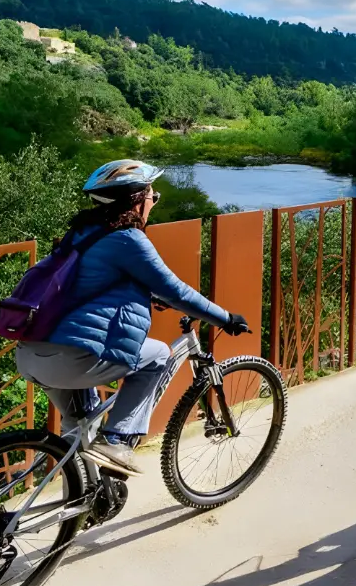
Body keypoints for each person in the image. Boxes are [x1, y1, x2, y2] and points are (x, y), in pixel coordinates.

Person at [14, 160, 248, 475]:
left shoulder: (81, 233)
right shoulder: (128, 239)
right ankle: (117, 439)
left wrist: (147, 295)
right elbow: (176, 291)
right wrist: (225, 318)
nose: (154, 201)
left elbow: (90, 284)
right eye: (153, 195)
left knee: (80, 423)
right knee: (159, 356)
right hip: (73, 358)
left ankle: (81, 494)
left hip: (32, 354)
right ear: (137, 199)